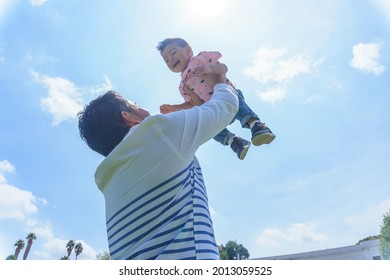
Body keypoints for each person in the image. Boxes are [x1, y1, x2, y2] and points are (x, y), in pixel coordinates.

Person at [77, 74, 239, 260]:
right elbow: (226, 106)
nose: (142, 107)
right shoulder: (155, 132)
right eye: (135, 104)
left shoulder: (108, 180)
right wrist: (218, 78)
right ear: (128, 117)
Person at [157, 38, 275, 160]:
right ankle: (234, 141)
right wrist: (174, 108)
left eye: (173, 53)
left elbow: (224, 68)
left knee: (238, 104)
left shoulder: (199, 59)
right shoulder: (183, 85)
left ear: (188, 50)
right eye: (166, 60)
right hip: (215, 108)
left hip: (227, 95)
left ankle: (256, 125)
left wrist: (209, 69)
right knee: (207, 124)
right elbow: (193, 103)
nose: (170, 59)